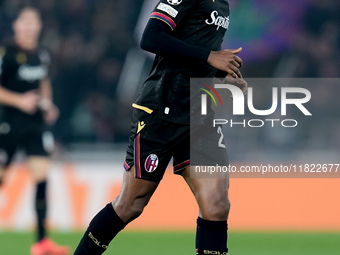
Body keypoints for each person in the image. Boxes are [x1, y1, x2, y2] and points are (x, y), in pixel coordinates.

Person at [74, 0, 247, 254]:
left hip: (199, 116)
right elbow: (151, 37)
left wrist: (223, 74)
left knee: (217, 204)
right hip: (161, 110)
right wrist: (209, 56)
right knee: (131, 204)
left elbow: (197, 54)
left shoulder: (223, 5)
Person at [0, 6, 70, 255]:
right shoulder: (6, 53)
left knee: (42, 179)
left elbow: (44, 81)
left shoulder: (41, 54)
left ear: (40, 26)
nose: (30, 26)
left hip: (34, 126)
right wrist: (19, 100)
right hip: (6, 124)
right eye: (26, 21)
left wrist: (47, 104)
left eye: (34, 21)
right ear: (16, 25)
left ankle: (41, 243)